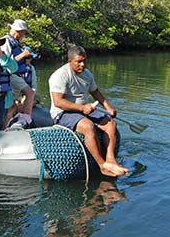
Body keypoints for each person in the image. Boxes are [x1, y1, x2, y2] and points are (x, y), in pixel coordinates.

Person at [48, 46, 128, 177]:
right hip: (62, 113)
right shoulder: (60, 76)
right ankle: (102, 165)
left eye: (84, 61)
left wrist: (108, 107)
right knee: (88, 126)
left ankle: (111, 160)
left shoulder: (87, 74)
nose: (82, 64)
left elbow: (95, 91)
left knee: (110, 124)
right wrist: (82, 108)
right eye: (78, 62)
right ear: (69, 62)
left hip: (84, 109)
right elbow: (58, 102)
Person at [1, 19, 35, 123]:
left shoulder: (15, 42)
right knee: (30, 93)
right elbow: (6, 62)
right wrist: (23, 55)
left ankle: (6, 127)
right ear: (18, 31)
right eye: (23, 33)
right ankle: (26, 119)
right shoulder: (6, 42)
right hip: (10, 75)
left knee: (12, 106)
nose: (23, 36)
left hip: (15, 76)